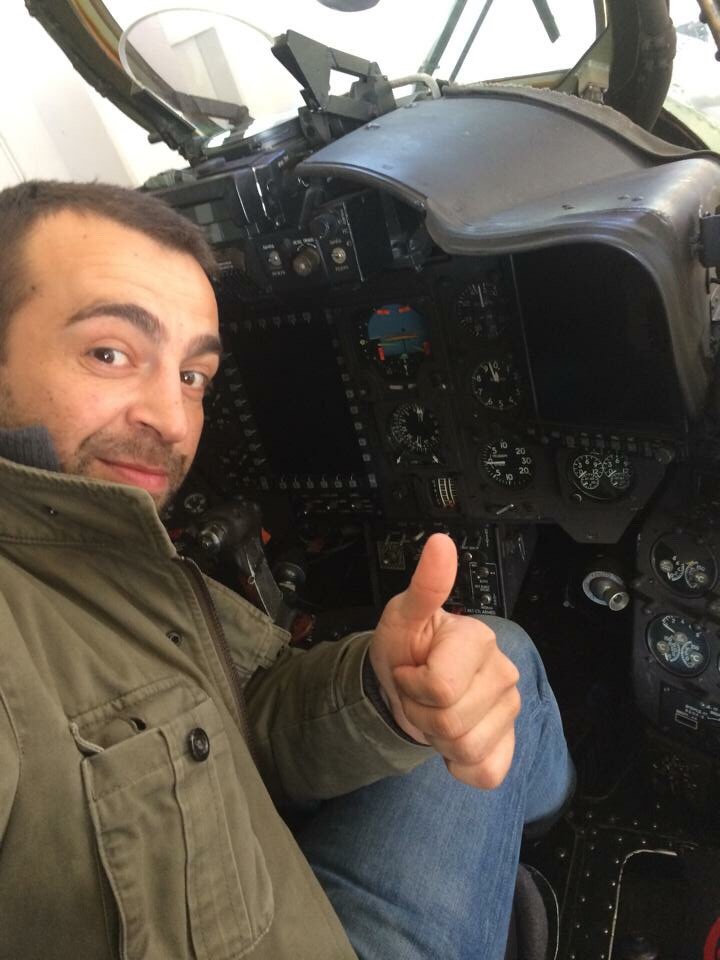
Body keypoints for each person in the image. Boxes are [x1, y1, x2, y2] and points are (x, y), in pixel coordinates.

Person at [0, 180, 573, 960]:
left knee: (490, 648)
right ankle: (531, 839)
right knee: (514, 657)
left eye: (193, 376)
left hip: (270, 895)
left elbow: (244, 716)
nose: (171, 420)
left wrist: (385, 695)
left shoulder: (94, 549)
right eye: (110, 353)